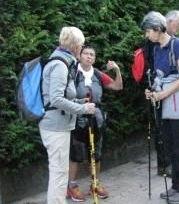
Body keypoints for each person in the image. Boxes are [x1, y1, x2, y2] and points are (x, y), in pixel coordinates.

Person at [39, 26, 96, 204]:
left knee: (59, 172)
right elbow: (55, 99)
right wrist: (83, 109)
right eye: (81, 45)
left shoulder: (62, 62)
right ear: (76, 46)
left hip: (57, 125)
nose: (82, 48)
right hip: (55, 127)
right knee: (59, 173)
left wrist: (79, 103)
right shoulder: (59, 65)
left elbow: (58, 98)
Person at [142, 11, 179, 203]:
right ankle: (176, 187)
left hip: (178, 103)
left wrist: (163, 93)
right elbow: (159, 76)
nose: (147, 36)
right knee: (170, 147)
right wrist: (153, 90)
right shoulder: (157, 49)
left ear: (157, 28)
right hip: (165, 104)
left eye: (148, 31)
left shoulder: (176, 44)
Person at [67, 46, 123, 201]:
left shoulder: (97, 74)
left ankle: (95, 184)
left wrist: (117, 70)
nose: (89, 57)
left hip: (96, 118)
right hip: (77, 117)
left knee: (96, 153)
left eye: (92, 54)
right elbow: (63, 95)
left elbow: (118, 86)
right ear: (79, 56)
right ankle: (71, 187)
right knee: (76, 154)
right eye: (86, 53)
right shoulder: (72, 72)